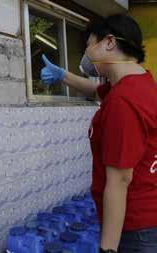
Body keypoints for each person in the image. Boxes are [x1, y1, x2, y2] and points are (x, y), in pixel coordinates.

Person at [41, 14, 157, 253]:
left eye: (88, 46)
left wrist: (108, 249)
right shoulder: (140, 83)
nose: (86, 56)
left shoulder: (123, 102)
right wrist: (63, 76)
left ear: (109, 42)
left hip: (136, 227)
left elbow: (120, 181)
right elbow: (97, 90)